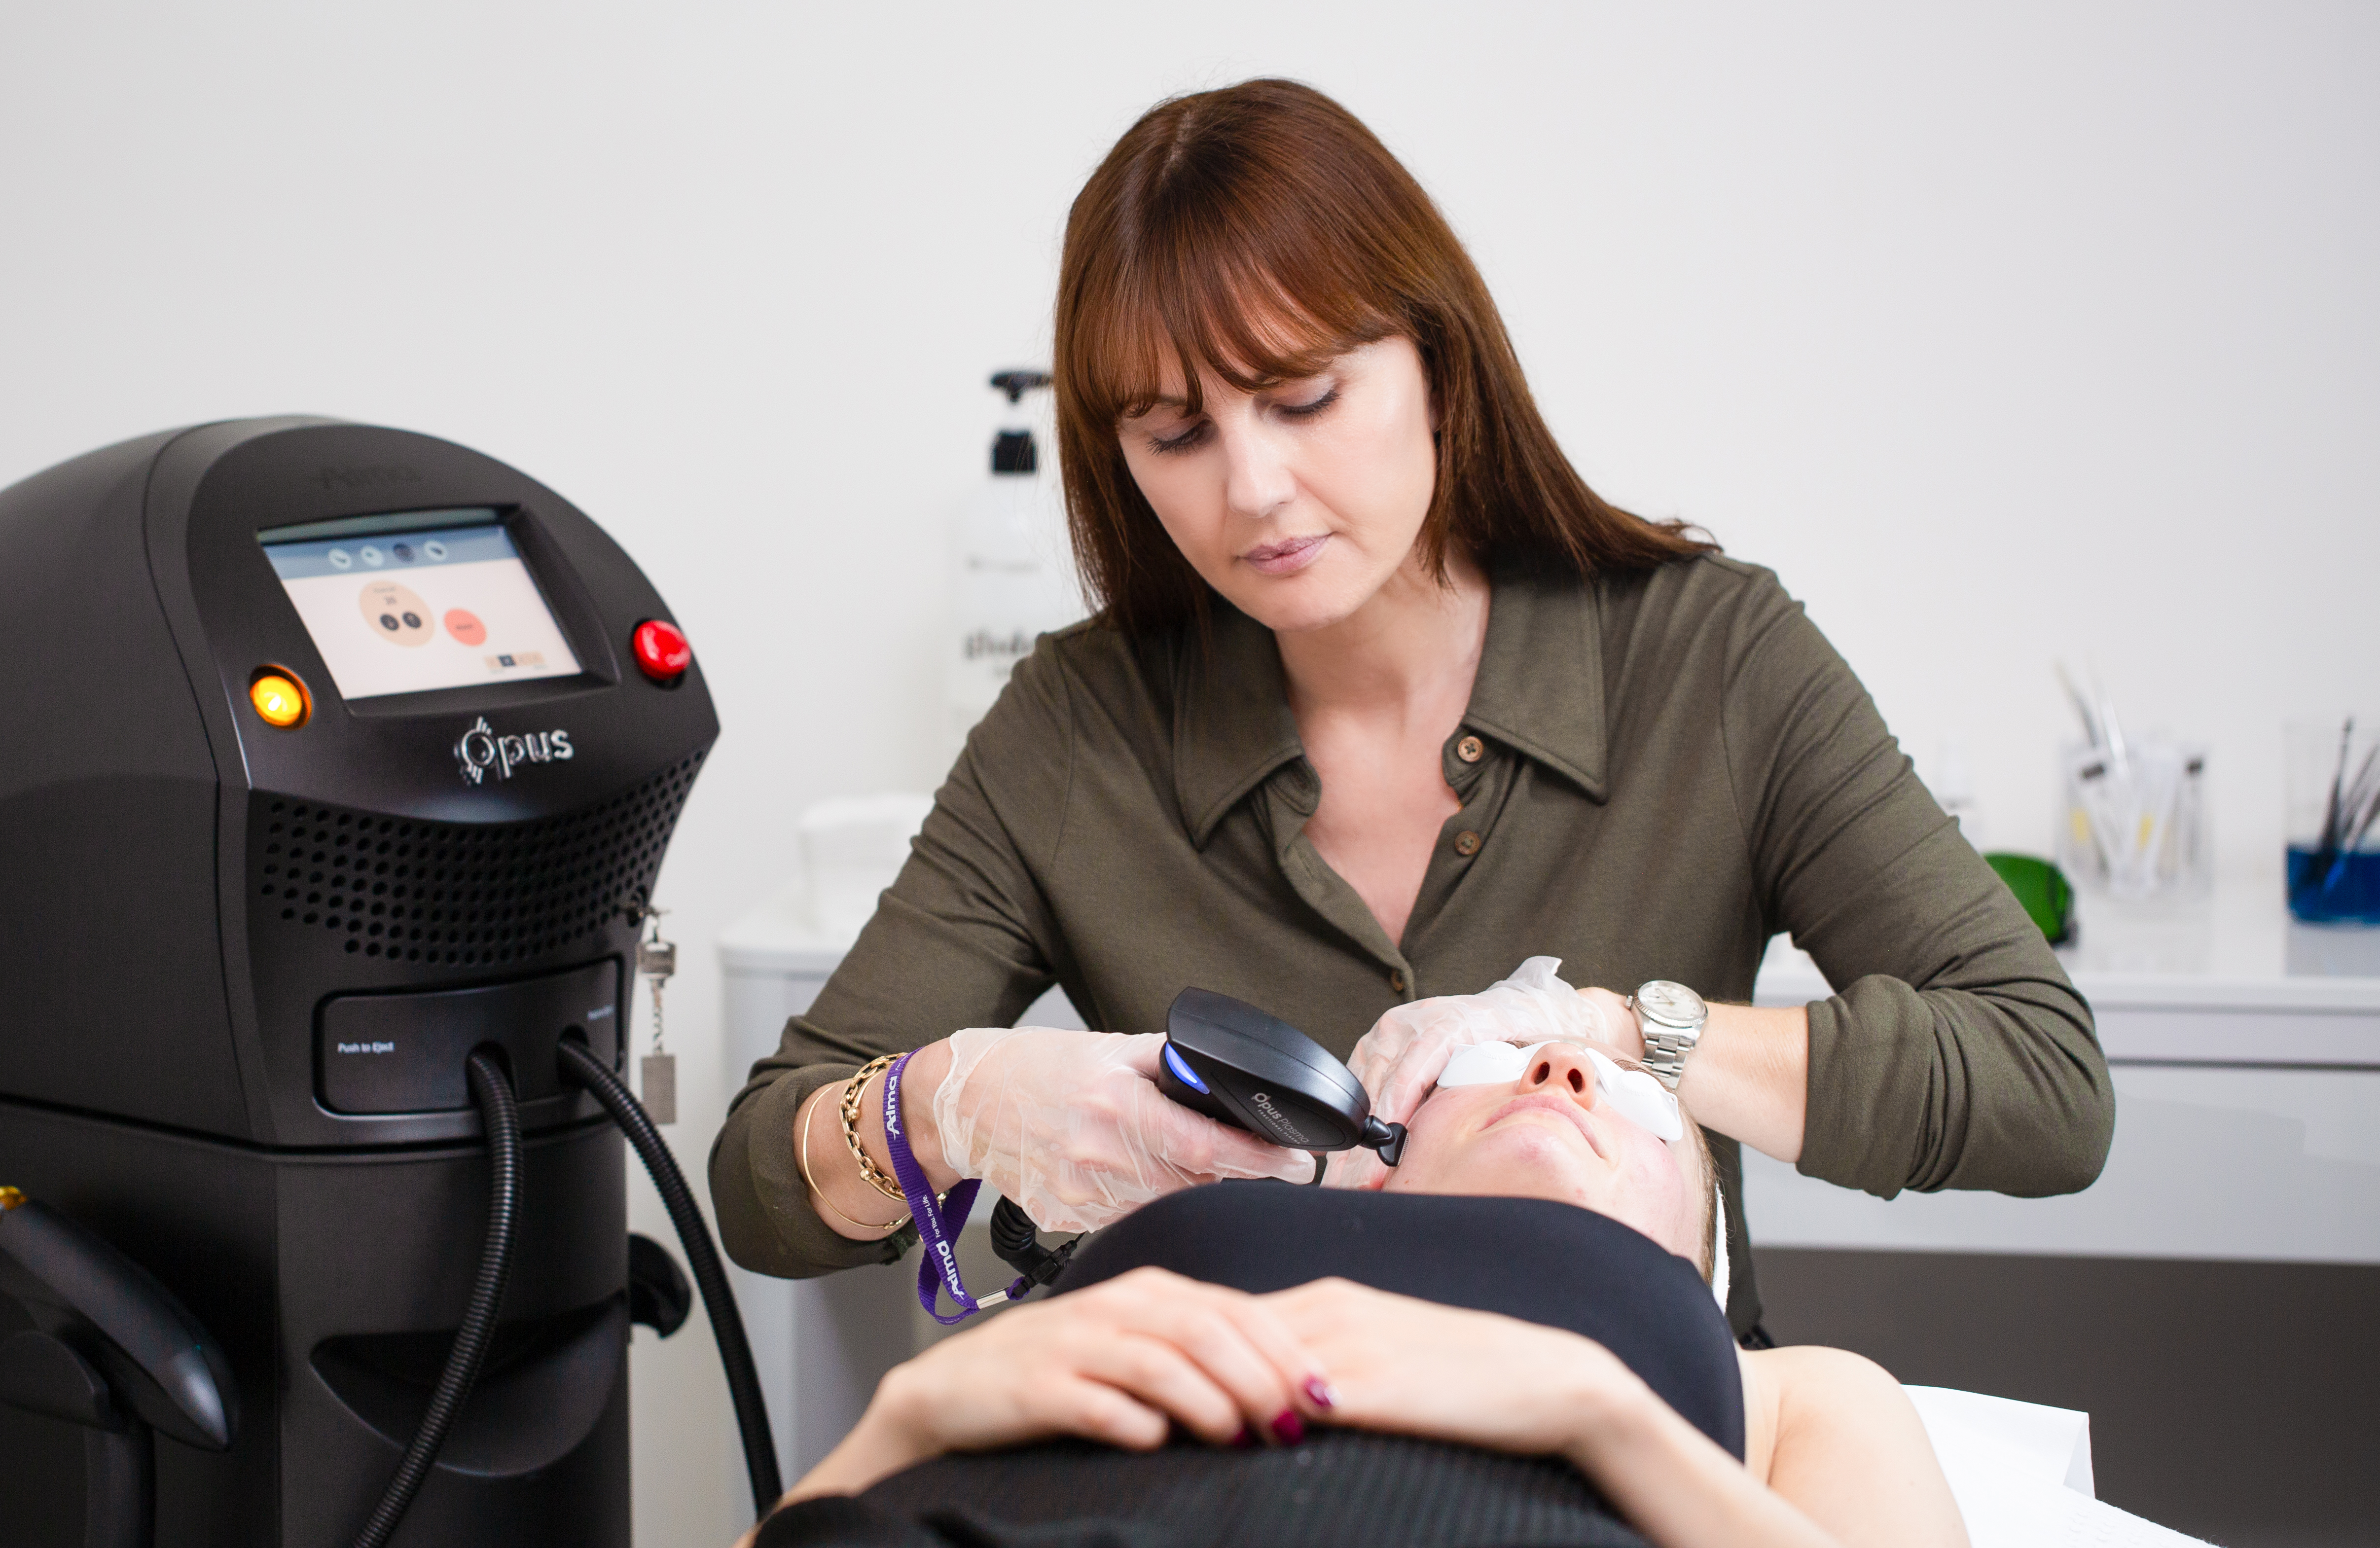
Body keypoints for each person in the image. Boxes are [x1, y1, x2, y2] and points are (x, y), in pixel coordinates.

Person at [711, 76, 2112, 1339]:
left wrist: (1628, 1035)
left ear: (1437, 363)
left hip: (1636, 1460)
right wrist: (935, 1108)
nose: (1250, 490)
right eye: (1176, 433)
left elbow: (2042, 1084)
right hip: (1245, 1488)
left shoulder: (1710, 657)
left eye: (1303, 396)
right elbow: (757, 1187)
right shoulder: (1079, 729)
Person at [650, 1034, 2008, 1548]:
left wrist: (1598, 1415)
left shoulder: (1770, 1384)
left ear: (1701, 1258)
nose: (1552, 1064)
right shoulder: (1186, 1237)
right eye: (1486, 1062)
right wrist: (907, 1412)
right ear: (1380, 1155)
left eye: (1634, 1097)